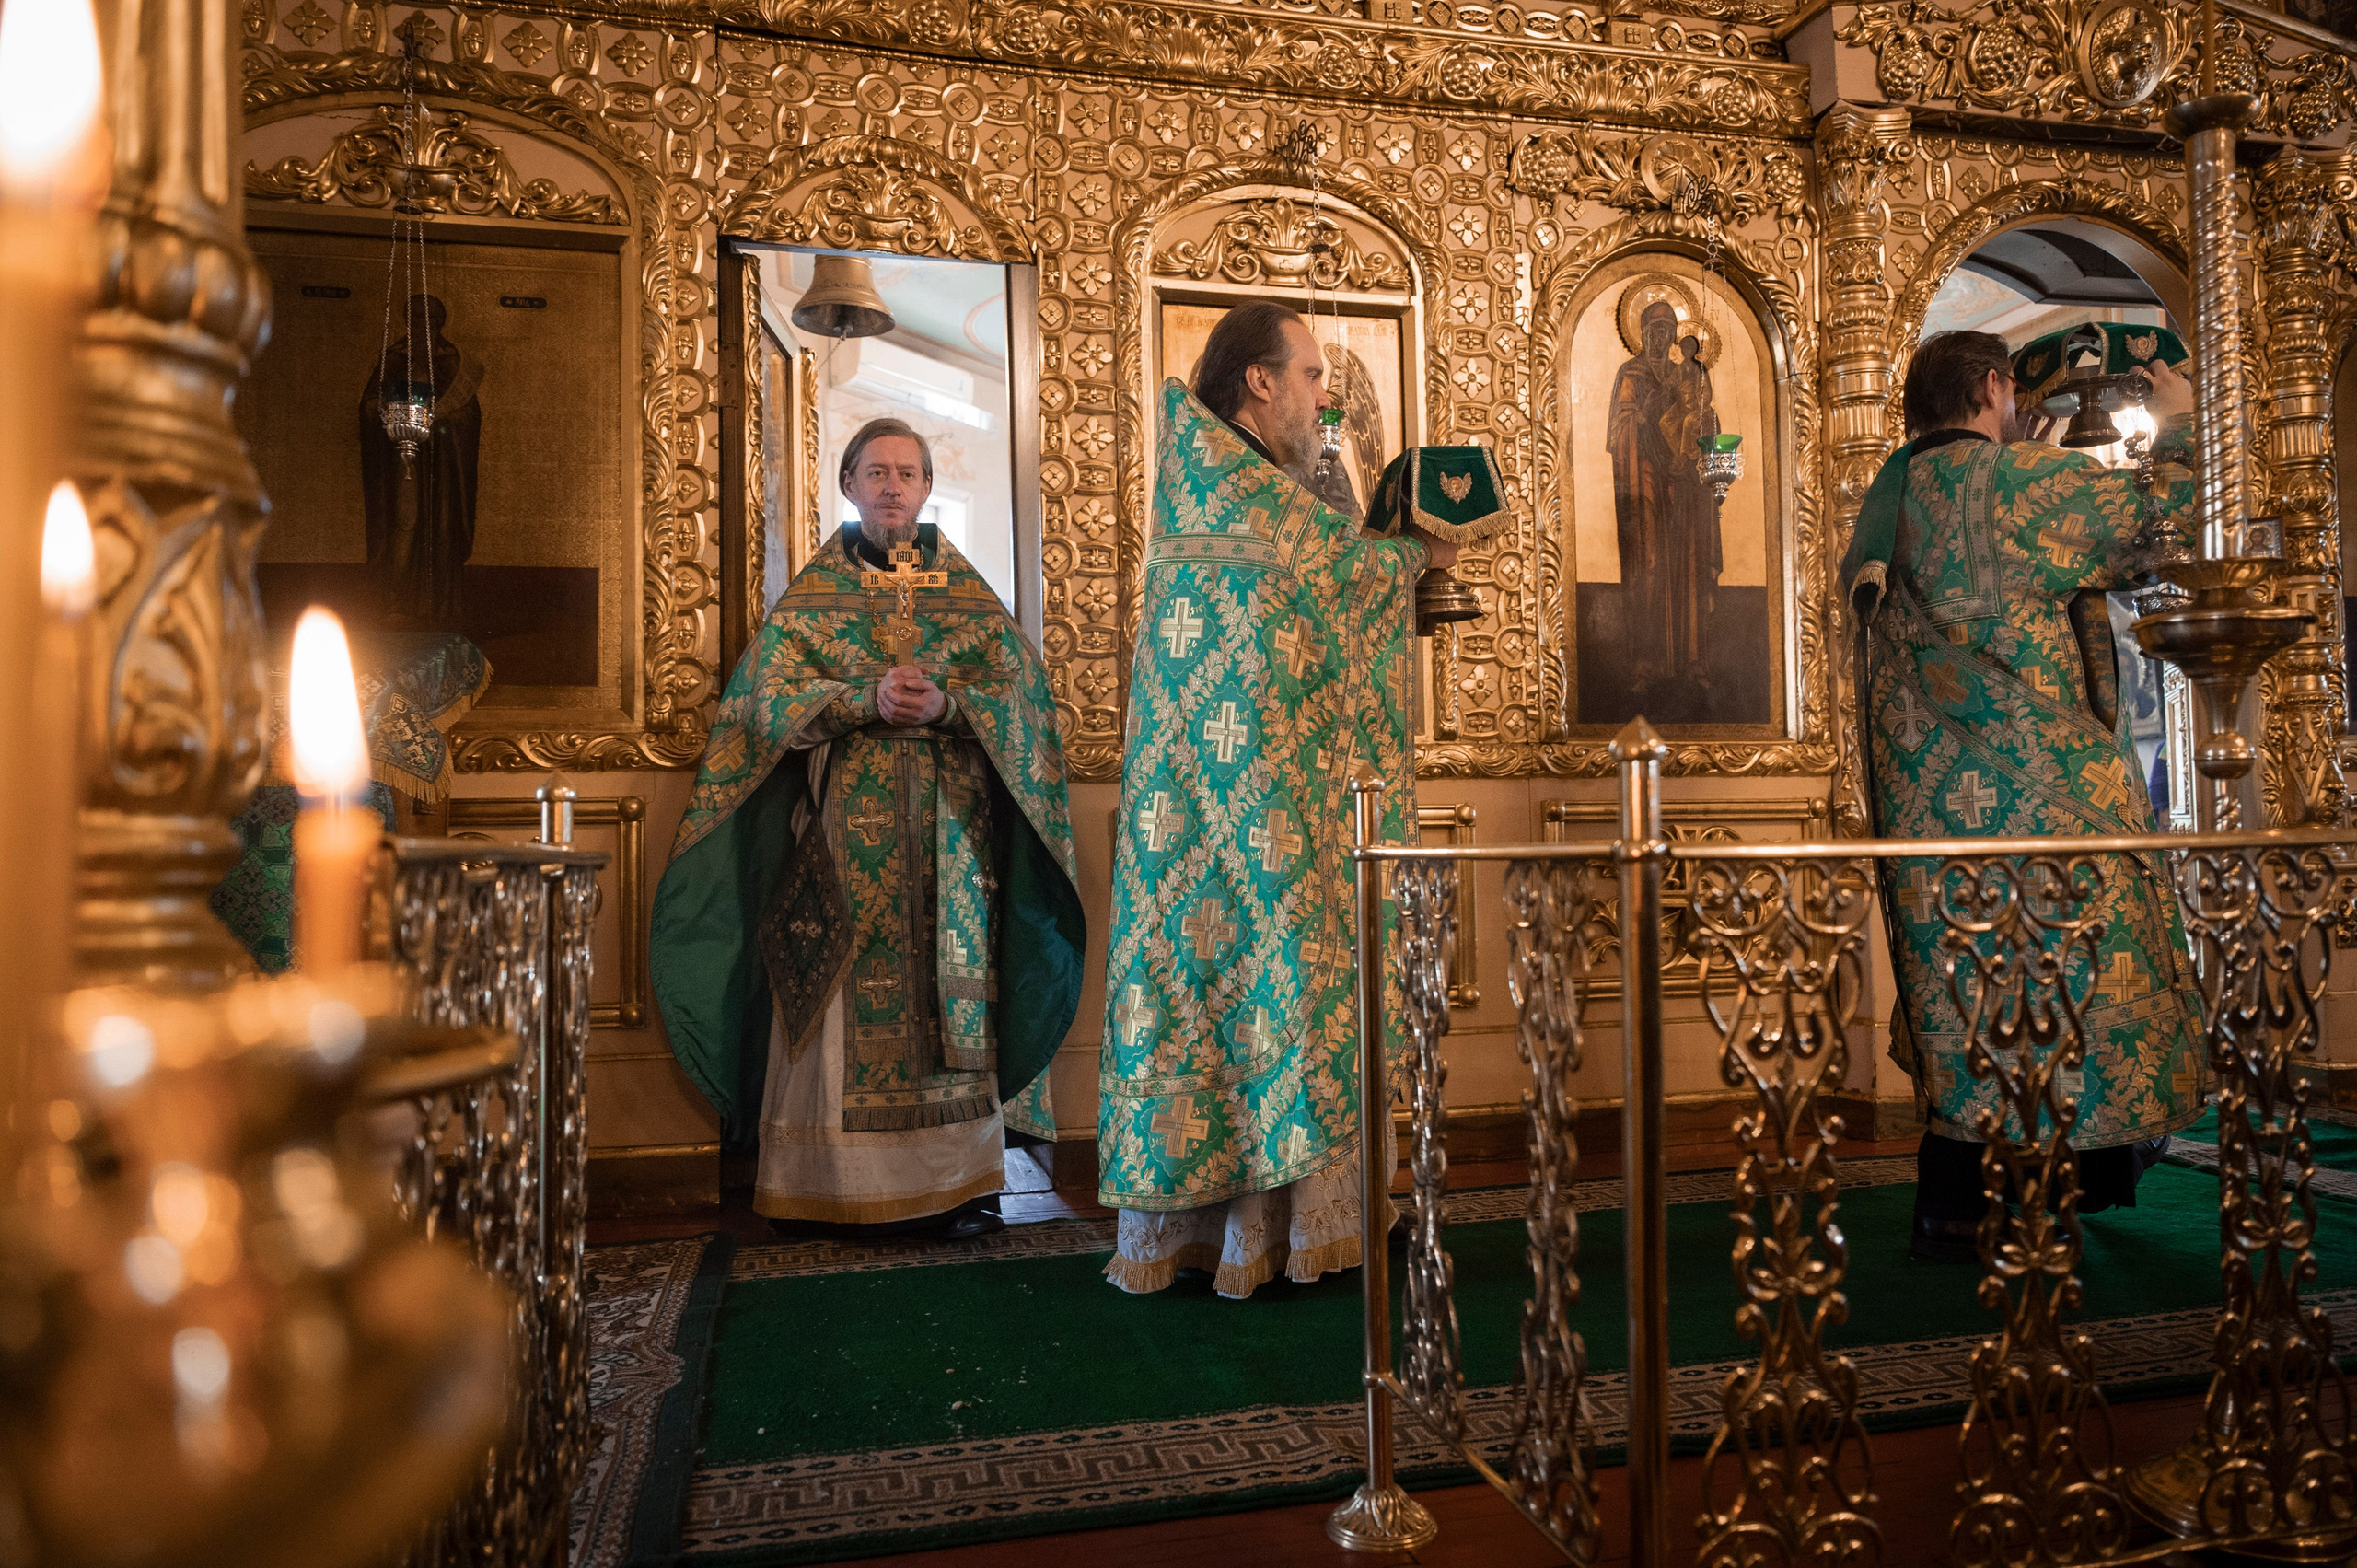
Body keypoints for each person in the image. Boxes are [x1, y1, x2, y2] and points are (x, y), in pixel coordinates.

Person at [1098, 301, 1480, 1297]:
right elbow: (1331, 575)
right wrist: (1421, 559)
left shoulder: (1229, 474)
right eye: (1310, 374)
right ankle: (1249, 1229)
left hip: (1241, 806)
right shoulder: (1229, 479)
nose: (1324, 395)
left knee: (1255, 992)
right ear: (1258, 381)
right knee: (1261, 990)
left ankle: (1258, 1227)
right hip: (1239, 817)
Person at [651, 418, 1086, 1237]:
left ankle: (955, 1185)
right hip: (842, 843)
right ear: (847, 485)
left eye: (908, 473)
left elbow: (1023, 699)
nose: (893, 485)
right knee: (840, 993)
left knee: (944, 1003)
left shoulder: (966, 594)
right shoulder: (814, 596)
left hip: (951, 843)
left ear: (926, 489)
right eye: (876, 471)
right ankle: (833, 1186)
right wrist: (863, 699)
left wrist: (952, 704)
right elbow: (757, 709)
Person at [1840, 329, 2203, 1263]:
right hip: (2051, 804)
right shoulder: (2019, 482)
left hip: (1929, 806)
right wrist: (2175, 423)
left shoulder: (1890, 495)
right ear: (1996, 384)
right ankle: (2035, 1202)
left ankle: (1954, 1201)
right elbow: (2162, 523)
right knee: (2061, 981)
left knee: (1962, 987)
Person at [1607, 301, 1723, 718]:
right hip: (1644, 483)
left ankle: (1693, 662)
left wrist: (1704, 425)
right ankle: (1645, 663)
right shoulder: (1631, 374)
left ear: (1675, 339)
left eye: (1666, 332)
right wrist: (1638, 420)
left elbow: (1701, 416)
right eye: (1652, 331)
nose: (1659, 339)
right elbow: (1619, 430)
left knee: (1689, 569)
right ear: (1641, 335)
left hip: (1684, 484)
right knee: (1650, 565)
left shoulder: (1685, 375)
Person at [360, 293, 482, 630]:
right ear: (407, 322)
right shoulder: (394, 358)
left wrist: (442, 419)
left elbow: (469, 414)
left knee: (441, 528)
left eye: (430, 320)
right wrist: (388, 414)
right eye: (416, 320)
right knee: (404, 527)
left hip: (442, 465)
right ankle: (396, 602)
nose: (423, 326)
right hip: (401, 464)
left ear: (440, 323)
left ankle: (440, 607)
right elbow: (369, 403)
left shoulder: (452, 360)